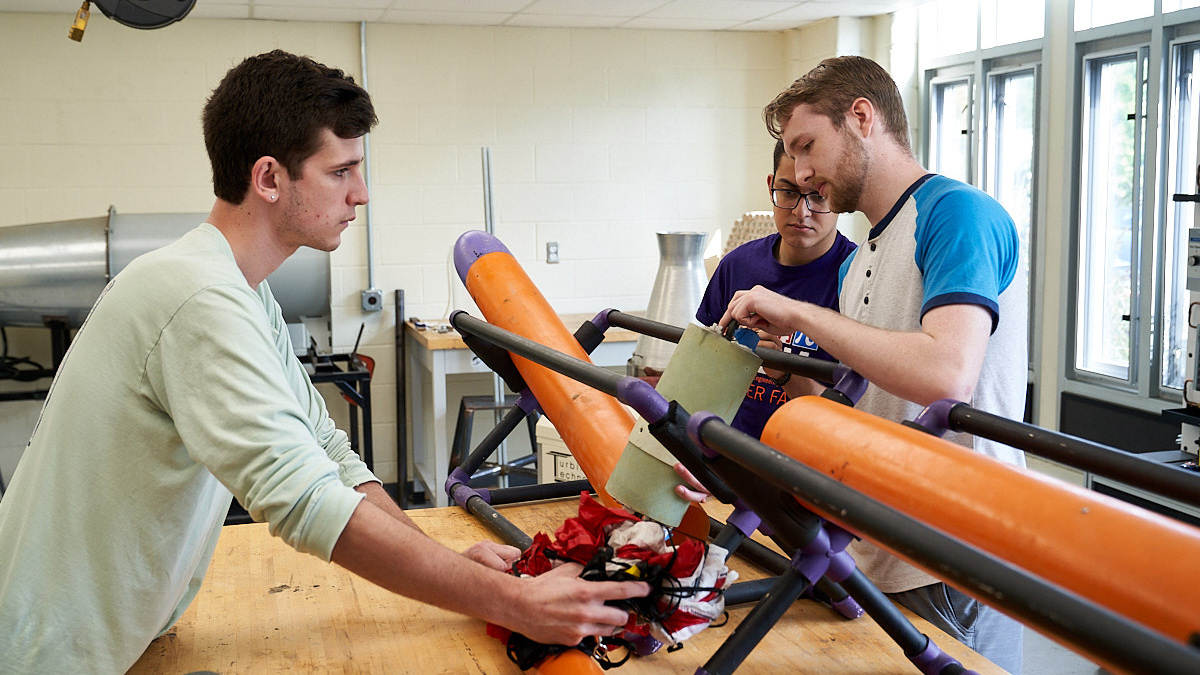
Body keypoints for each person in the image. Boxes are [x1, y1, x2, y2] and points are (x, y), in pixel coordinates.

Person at [0, 50, 646, 674]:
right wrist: (514, 603)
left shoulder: (241, 290)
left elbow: (327, 454)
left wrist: (453, 563)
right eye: (340, 171)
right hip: (48, 650)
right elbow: (305, 500)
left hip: (120, 635)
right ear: (270, 178)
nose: (360, 194)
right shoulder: (194, 294)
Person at [720, 56, 1028, 673]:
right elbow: (856, 395)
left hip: (949, 551)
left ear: (861, 118)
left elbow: (946, 375)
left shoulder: (957, 214)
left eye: (808, 146)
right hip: (874, 547)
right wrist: (784, 368)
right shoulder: (858, 259)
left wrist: (801, 315)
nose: (801, 175)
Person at [694, 139, 855, 440]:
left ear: (840, 195)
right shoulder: (736, 266)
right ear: (771, 187)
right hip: (731, 455)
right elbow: (702, 376)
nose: (801, 212)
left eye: (818, 196)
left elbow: (854, 423)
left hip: (814, 467)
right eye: (788, 192)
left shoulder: (859, 280)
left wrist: (784, 371)